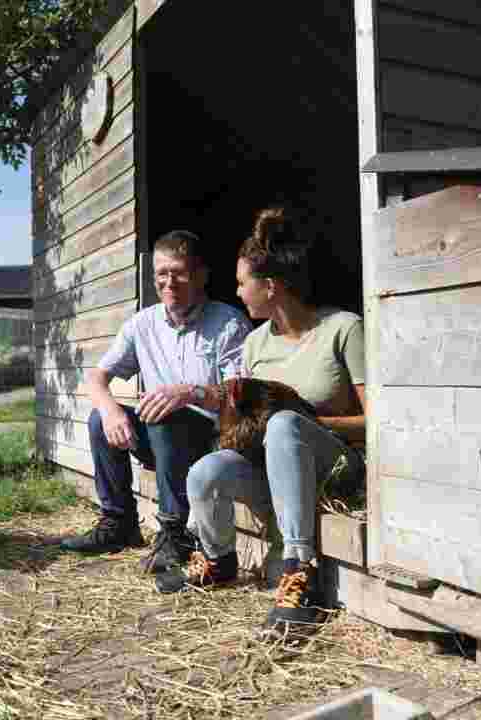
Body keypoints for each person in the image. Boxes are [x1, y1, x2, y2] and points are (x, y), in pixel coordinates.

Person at [155, 206, 367, 641]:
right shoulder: (254, 344)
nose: (237, 292)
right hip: (273, 468)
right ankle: (217, 560)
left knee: (286, 424)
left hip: (334, 466)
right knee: (206, 471)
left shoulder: (343, 329)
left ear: (270, 286)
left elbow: (375, 421)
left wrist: (305, 422)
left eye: (241, 282)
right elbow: (248, 420)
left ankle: (299, 569)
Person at [60, 230, 252, 574]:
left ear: (201, 275)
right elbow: (96, 378)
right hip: (161, 440)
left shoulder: (228, 323)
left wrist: (187, 392)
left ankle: (176, 535)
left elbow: (241, 395)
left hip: (211, 442)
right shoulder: (142, 324)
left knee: (164, 410)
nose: (169, 282)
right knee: (100, 420)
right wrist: (111, 410)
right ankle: (119, 522)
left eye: (179, 272)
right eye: (161, 273)